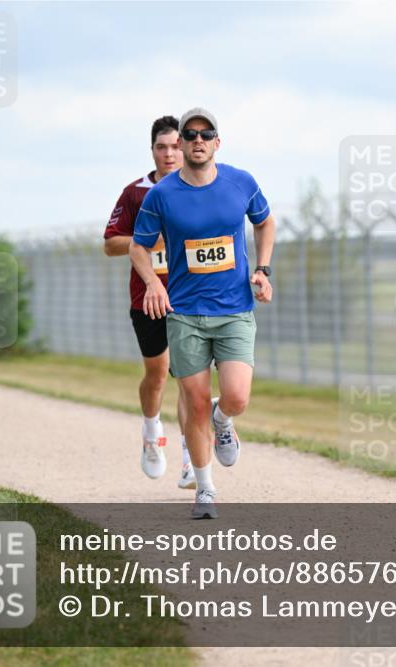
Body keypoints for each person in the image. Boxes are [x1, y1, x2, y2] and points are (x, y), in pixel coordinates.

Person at [129, 107, 275, 519]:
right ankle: (205, 489)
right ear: (181, 143)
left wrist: (262, 270)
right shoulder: (162, 195)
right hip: (186, 314)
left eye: (204, 134)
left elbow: (265, 223)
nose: (196, 141)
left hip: (233, 310)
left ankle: (223, 420)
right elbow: (140, 246)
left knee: (236, 397)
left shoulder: (240, 182)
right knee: (193, 404)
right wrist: (154, 283)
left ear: (216, 142)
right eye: (189, 135)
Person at [103, 115, 195, 489]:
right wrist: (148, 240)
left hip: (190, 298)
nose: (170, 153)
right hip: (147, 300)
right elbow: (110, 244)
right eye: (162, 146)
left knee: (190, 380)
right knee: (157, 375)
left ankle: (192, 459)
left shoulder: (199, 187)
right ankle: (151, 432)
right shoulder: (135, 193)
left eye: (176, 146)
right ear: (152, 150)